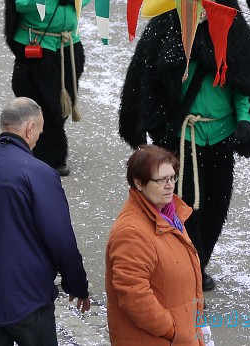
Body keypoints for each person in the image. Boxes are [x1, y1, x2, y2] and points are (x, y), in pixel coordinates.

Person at [119, 0, 250, 290]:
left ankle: (198, 261)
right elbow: (144, 84)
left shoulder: (233, 31)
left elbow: (246, 84)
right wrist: (154, 129)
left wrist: (246, 121)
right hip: (179, 140)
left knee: (215, 208)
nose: (203, 5)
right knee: (178, 208)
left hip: (220, 138)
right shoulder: (164, 28)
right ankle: (185, 268)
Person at [0, 97, 91, 346]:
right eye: (39, 132)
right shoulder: (40, 173)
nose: (37, 140)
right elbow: (61, 239)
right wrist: (76, 285)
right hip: (27, 298)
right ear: (30, 128)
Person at [3, 0, 92, 176]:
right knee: (44, 103)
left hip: (67, 45)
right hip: (37, 47)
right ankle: (50, 154)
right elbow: (20, 3)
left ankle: (41, 141)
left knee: (64, 101)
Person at [105, 145, 208, 346]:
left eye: (172, 178)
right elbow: (134, 296)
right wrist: (172, 329)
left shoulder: (171, 214)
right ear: (139, 183)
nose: (170, 185)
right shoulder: (131, 233)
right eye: (161, 180)